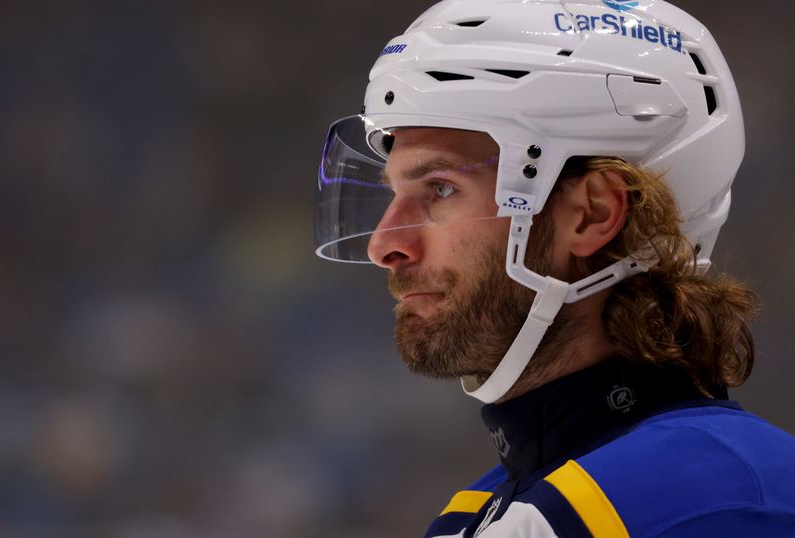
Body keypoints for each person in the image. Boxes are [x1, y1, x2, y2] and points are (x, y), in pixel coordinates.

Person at [314, 0, 795, 536]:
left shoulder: (729, 502)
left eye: (440, 189)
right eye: (394, 193)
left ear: (592, 214)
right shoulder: (472, 513)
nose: (384, 243)